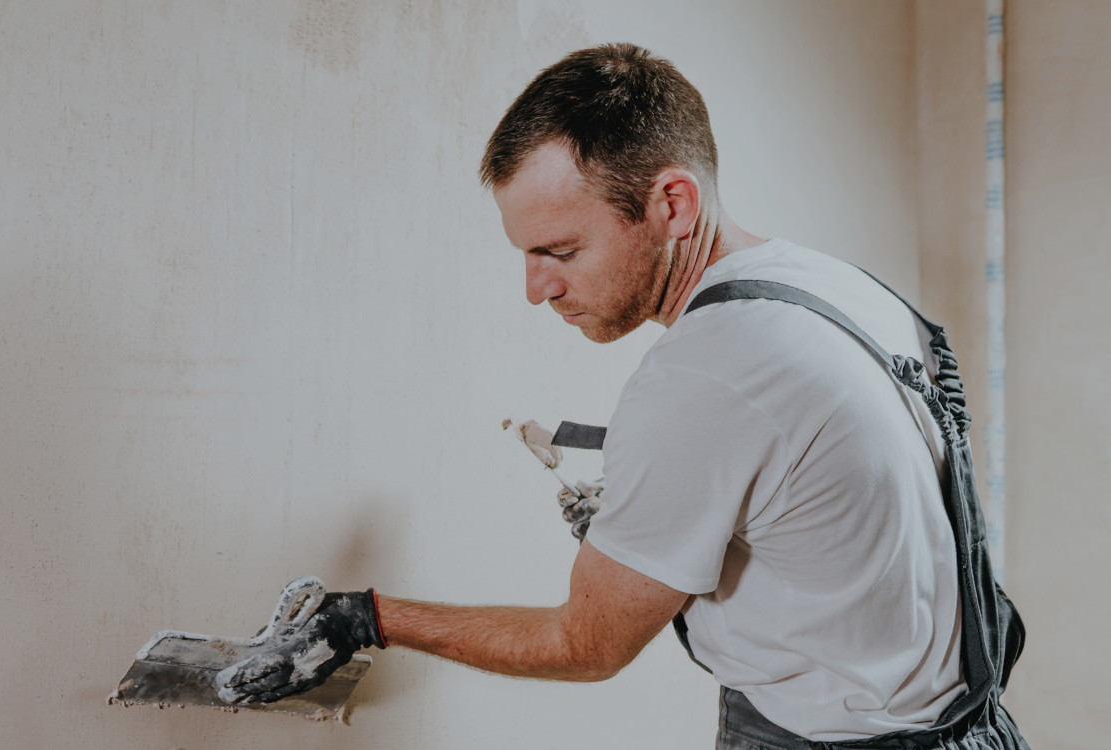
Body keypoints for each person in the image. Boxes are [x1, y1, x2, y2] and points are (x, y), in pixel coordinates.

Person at [215, 43, 1027, 749]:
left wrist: (371, 618)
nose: (536, 288)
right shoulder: (832, 287)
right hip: (974, 727)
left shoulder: (704, 376)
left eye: (560, 249)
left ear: (672, 204)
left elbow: (586, 645)